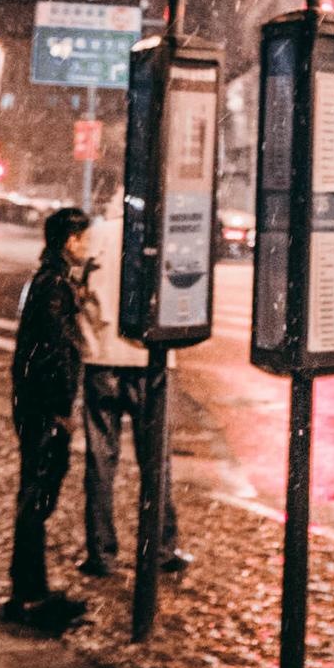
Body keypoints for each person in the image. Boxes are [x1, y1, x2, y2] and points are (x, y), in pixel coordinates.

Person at [77, 213, 187, 579]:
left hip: (101, 357)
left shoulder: (97, 235)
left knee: (100, 461)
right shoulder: (161, 232)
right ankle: (160, 548)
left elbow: (79, 288)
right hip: (149, 359)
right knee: (155, 460)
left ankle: (101, 552)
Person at [8, 205, 92, 629]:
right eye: (84, 239)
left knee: (36, 494)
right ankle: (29, 593)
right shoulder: (53, 285)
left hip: (34, 404)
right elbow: (55, 352)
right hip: (43, 408)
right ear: (70, 241)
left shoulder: (49, 280)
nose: (87, 246)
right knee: (38, 495)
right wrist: (60, 411)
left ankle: (29, 585)